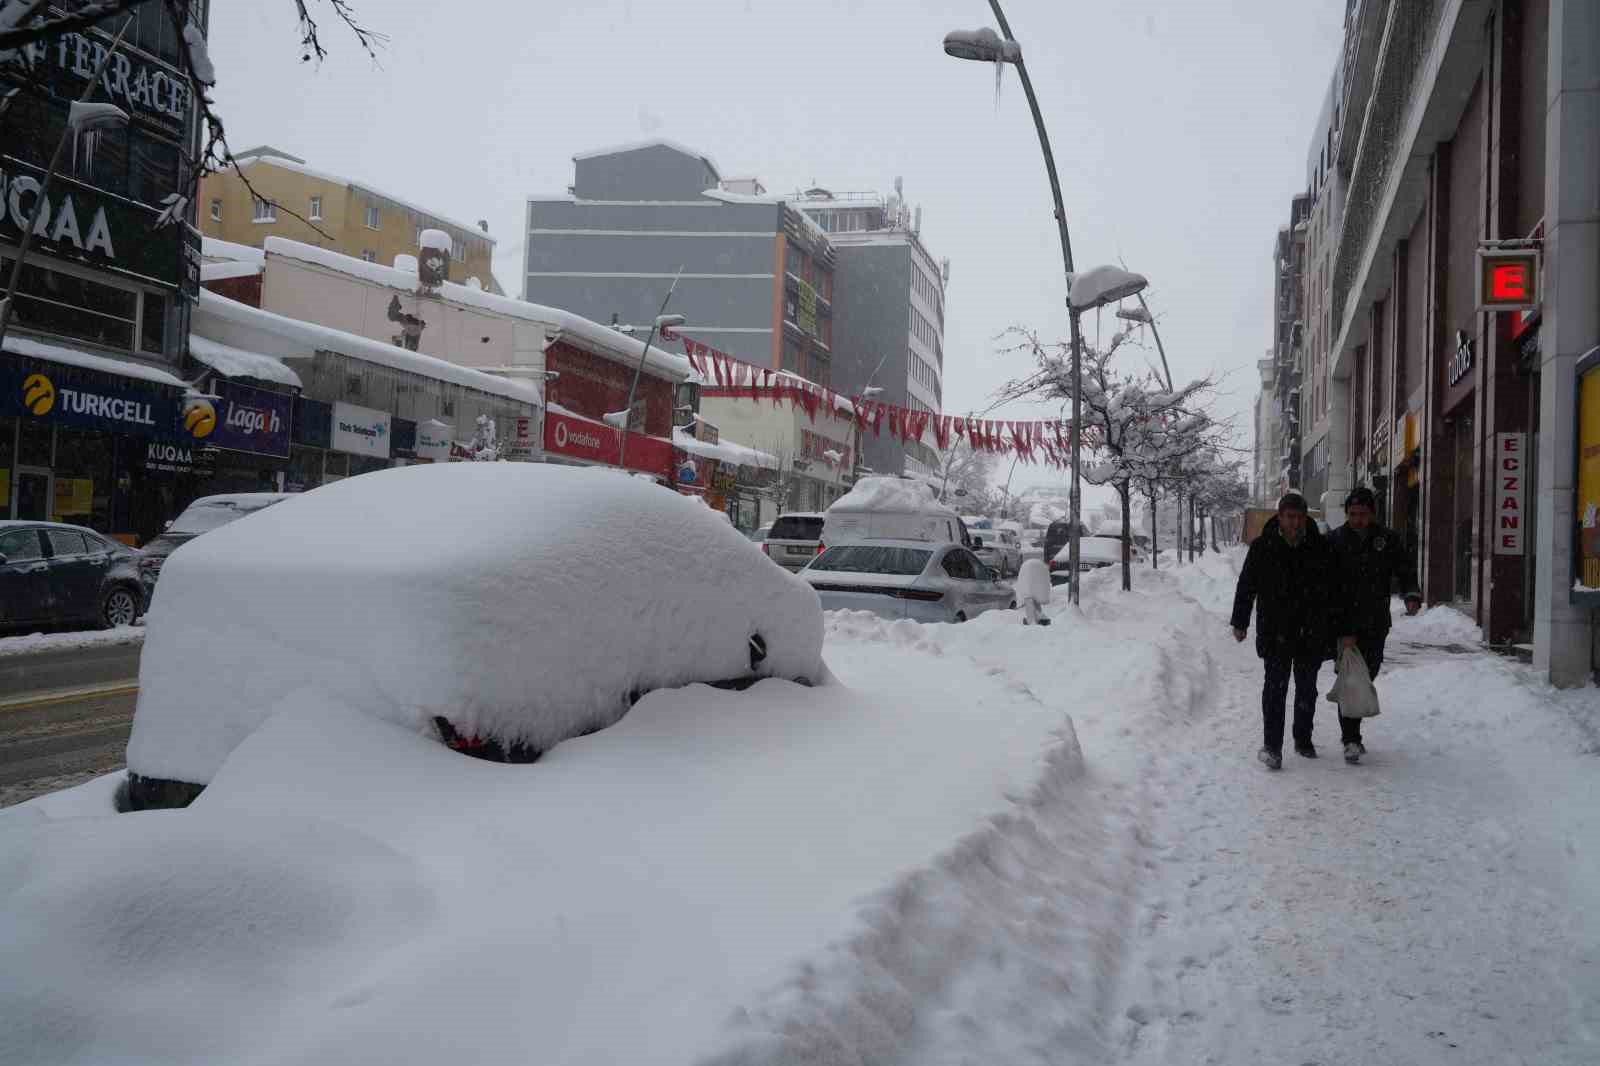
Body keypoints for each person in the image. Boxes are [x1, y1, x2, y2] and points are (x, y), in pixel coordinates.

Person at [1229, 491, 1338, 770]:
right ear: (1280, 516)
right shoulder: (1263, 546)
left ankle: (1303, 739)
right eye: (1290, 517)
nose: (1295, 522)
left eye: (1300, 517)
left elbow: (1334, 589)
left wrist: (1334, 626)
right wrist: (1240, 621)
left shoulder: (1319, 547)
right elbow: (1247, 585)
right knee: (1274, 690)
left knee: (1306, 689)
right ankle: (1272, 747)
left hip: (1310, 631)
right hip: (1275, 630)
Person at [1326, 486, 1422, 763]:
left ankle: (1353, 732)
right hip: (1344, 621)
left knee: (1369, 672)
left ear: (1372, 514)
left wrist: (1411, 594)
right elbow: (1323, 583)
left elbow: (1405, 569)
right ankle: (1351, 739)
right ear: (1346, 514)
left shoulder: (1386, 540)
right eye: (1353, 514)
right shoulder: (1334, 540)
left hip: (1376, 620)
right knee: (1351, 677)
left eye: (1363, 514)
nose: (1358, 519)